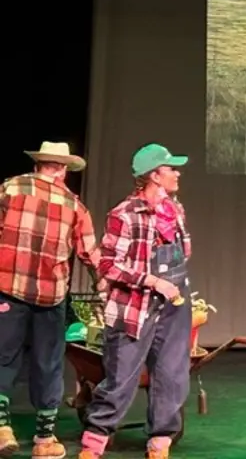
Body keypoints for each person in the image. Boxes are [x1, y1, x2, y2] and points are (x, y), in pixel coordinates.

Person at [78, 144, 194, 459]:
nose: (177, 172)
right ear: (155, 175)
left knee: (171, 377)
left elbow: (185, 252)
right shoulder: (124, 214)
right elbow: (109, 265)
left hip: (173, 305)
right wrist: (153, 280)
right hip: (135, 307)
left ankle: (160, 442)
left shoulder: (175, 209)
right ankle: (95, 440)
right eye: (171, 168)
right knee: (121, 379)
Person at [0, 142, 102, 458]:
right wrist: (108, 286)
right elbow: (90, 254)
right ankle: (44, 440)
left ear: (40, 164)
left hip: (7, 289)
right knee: (49, 363)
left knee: (3, 356)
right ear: (61, 169)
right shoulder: (74, 205)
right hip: (50, 295)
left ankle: (1, 429)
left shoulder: (10, 188)